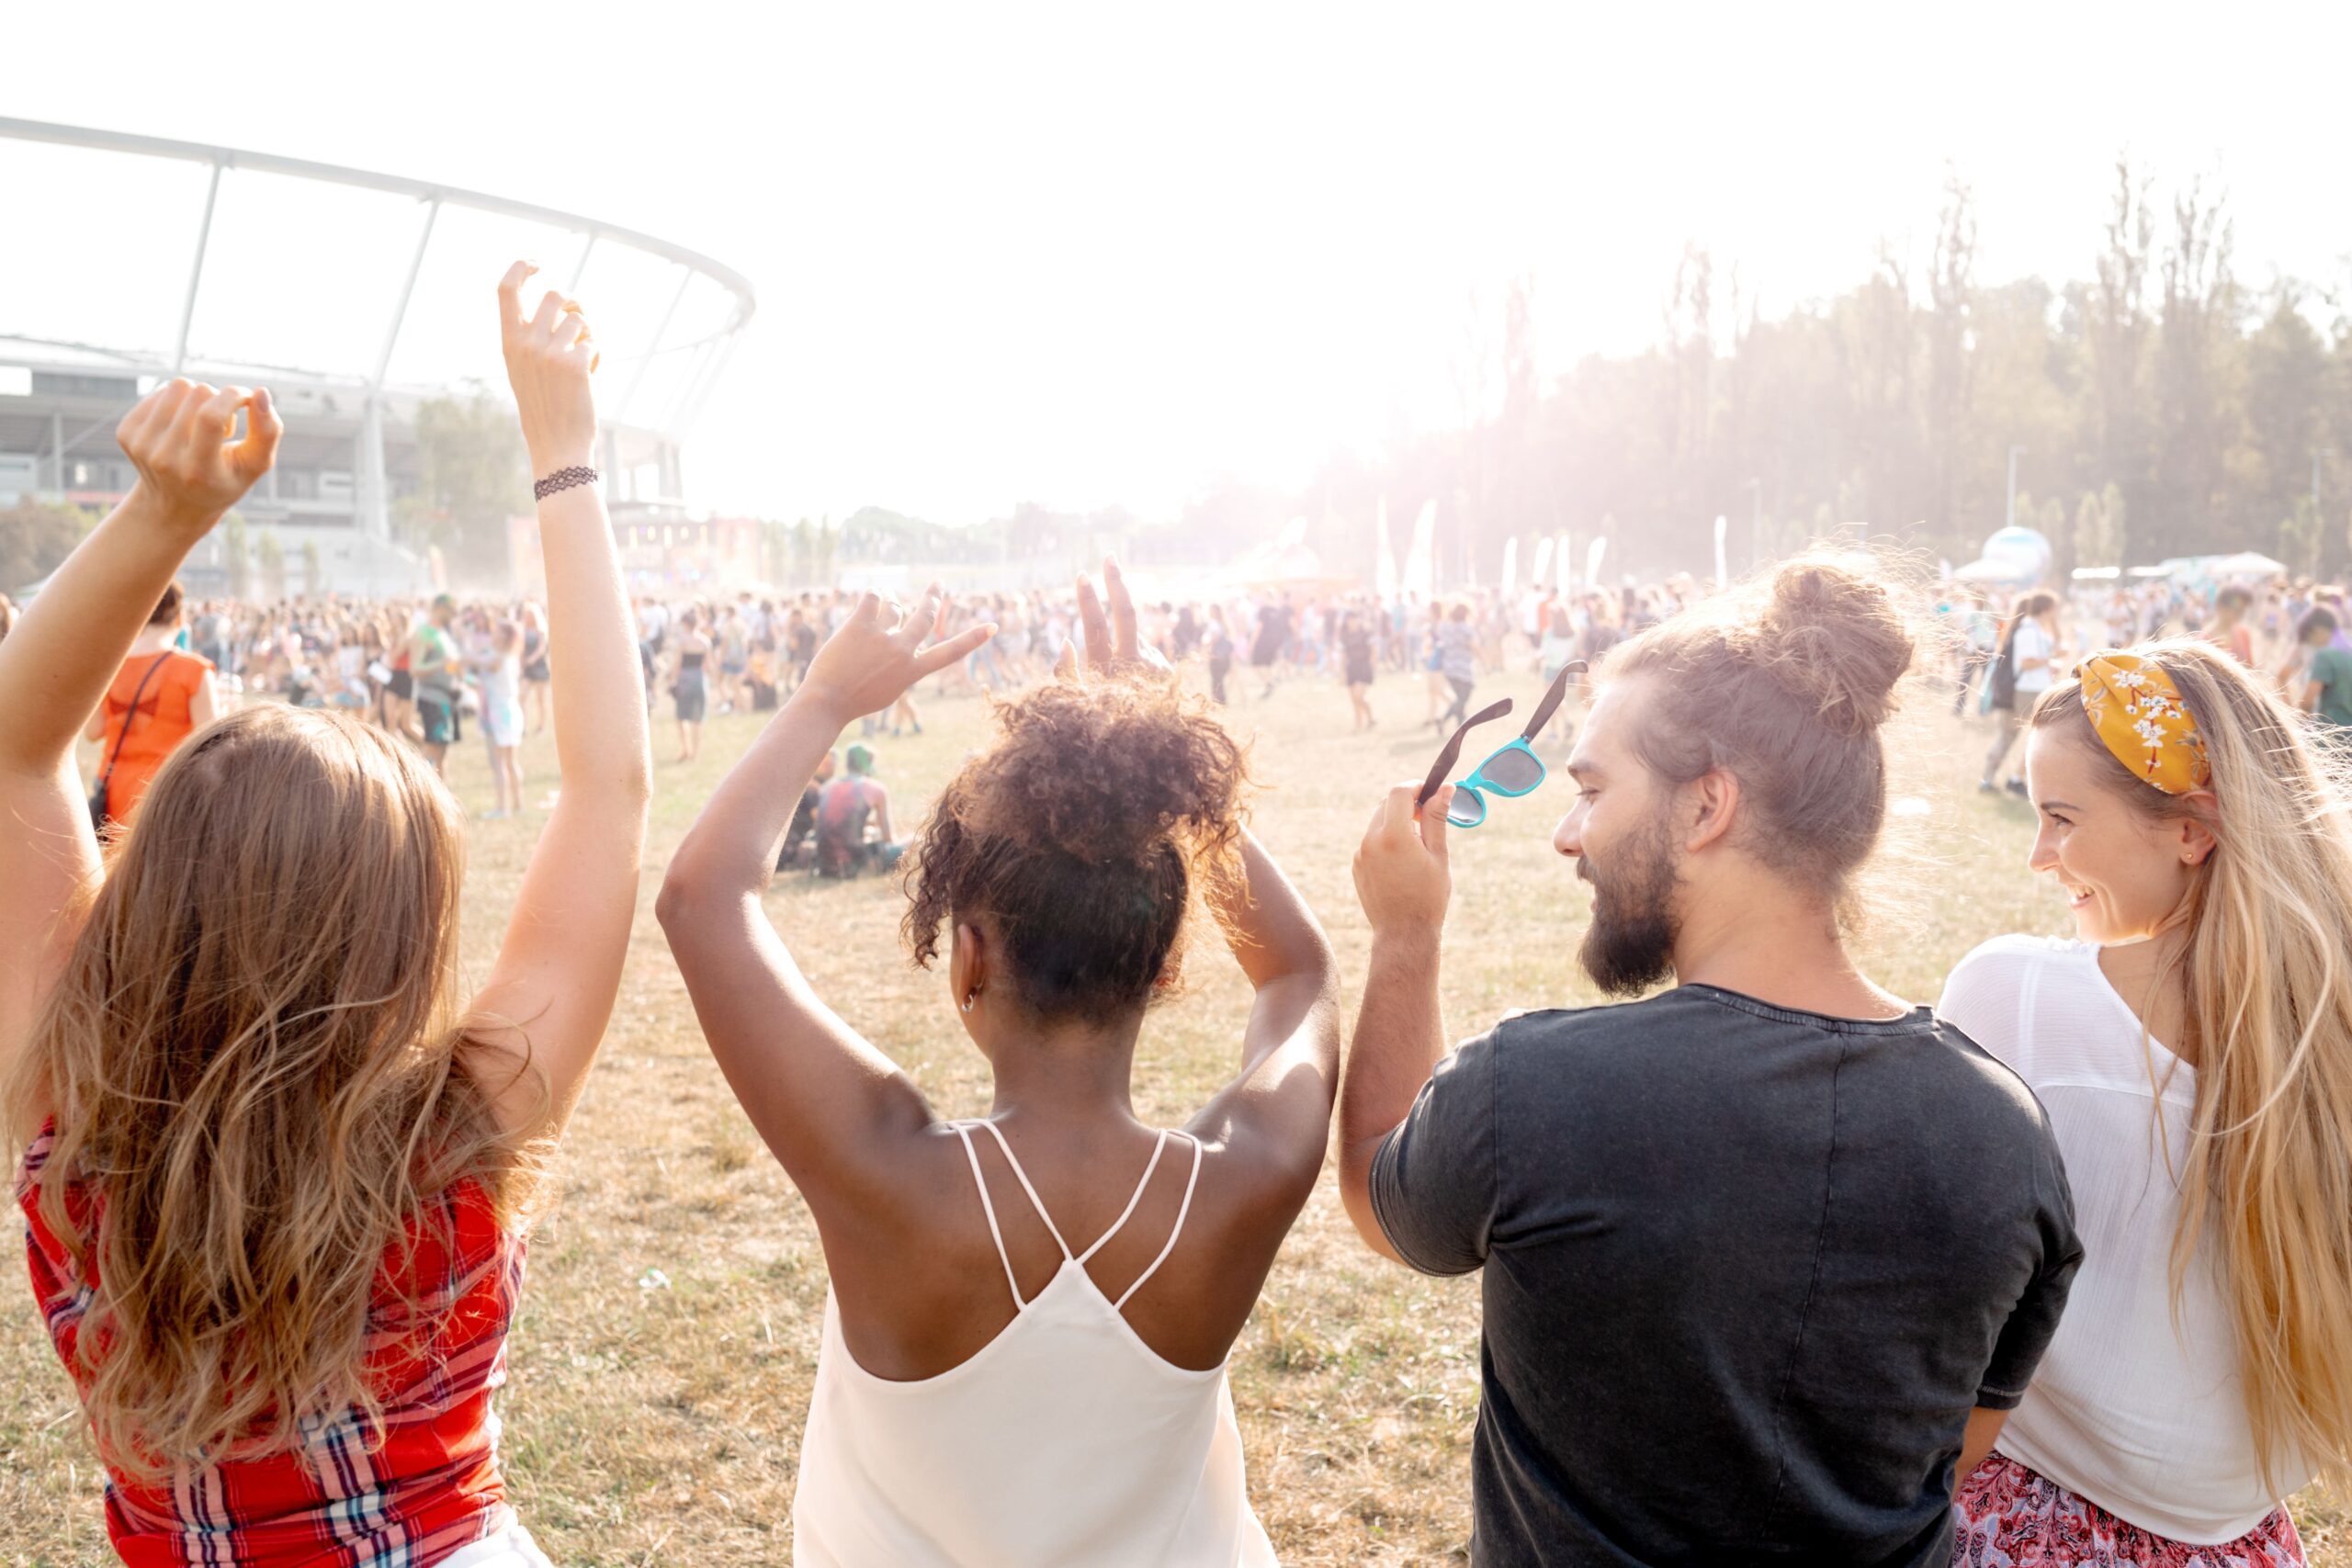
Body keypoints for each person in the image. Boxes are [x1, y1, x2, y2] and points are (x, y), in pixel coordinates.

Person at [1, 265, 650, 1568]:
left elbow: (16, 757)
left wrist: (163, 517)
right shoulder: (461, 1134)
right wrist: (563, 454)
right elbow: (610, 787)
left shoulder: (68, 1133)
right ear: (401, 937)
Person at [1339, 557, 2082, 1566]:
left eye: (1591, 789)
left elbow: (1382, 1195)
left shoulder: (1533, 1090)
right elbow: (1950, 1457)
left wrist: (1403, 936)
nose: (1566, 835)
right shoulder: (2008, 1140)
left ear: (1705, 807)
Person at [656, 558, 1337, 1568]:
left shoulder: (884, 1170)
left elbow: (703, 898)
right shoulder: (1252, 1173)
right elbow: (1299, 973)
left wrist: (824, 699)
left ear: (967, 958)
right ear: (1164, 965)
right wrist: (1178, 785)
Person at [1936, 642, 2349, 1565]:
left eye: (2062, 819)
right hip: (2244, 1544)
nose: (2040, 857)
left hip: (2025, 1527)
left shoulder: (2017, 996)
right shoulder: (2330, 1031)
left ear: (2191, 830)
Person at [82, 580, 220, 832]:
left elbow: (93, 732)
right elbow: (211, 743)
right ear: (178, 618)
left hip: (115, 789)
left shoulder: (109, 666)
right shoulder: (194, 671)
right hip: (166, 790)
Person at [1983, 589, 2062, 794]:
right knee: (2024, 737)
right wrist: (2050, 659)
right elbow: (2026, 663)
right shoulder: (2028, 631)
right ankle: (2009, 778)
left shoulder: (2029, 629)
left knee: (2012, 736)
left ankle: (1997, 778)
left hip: (2029, 688)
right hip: (2028, 690)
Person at [811, 743, 901, 878]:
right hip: (855, 865)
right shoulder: (876, 789)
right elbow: (889, 838)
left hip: (824, 864)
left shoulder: (828, 786)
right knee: (914, 841)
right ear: (868, 764)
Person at [410, 593, 465, 773]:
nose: (454, 616)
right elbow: (415, 669)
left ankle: (442, 795)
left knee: (443, 752)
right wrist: (440, 664)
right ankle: (419, 788)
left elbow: (450, 665)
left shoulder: (444, 633)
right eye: (451, 611)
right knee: (431, 749)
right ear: (440, 608)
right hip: (432, 698)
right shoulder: (424, 633)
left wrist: (461, 673)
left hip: (448, 698)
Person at [481, 619, 526, 819]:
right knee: (510, 761)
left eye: (497, 631)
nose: (493, 634)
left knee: (499, 763)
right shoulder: (512, 656)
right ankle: (518, 803)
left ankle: (502, 807)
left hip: (499, 713)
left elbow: (475, 661)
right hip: (511, 710)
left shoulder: (497, 658)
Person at [2283, 607, 2352, 729]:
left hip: (2331, 733)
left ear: (2318, 630)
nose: (2311, 643)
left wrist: (2298, 718)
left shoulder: (2324, 656)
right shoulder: (2347, 651)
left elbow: (2308, 700)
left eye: (2310, 636)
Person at [776, 748, 839, 871]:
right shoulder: (812, 788)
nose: (829, 768)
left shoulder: (809, 784)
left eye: (831, 764)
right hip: (794, 846)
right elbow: (821, 819)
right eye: (825, 763)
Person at [669, 607, 711, 763]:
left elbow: (677, 663)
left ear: (685, 624)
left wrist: (672, 680)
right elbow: (707, 665)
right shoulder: (705, 641)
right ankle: (695, 752)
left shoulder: (682, 640)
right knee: (697, 718)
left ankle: (686, 749)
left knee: (681, 717)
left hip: (685, 679)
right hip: (699, 679)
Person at [1432, 601, 1476, 728]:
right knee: (1463, 697)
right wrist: (1484, 661)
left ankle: (1460, 722)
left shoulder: (1447, 628)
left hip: (1449, 668)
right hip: (1462, 668)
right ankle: (1444, 720)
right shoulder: (1466, 629)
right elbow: (1474, 646)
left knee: (1460, 697)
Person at [1340, 608, 1377, 731]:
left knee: (1359, 696)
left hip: (1363, 666)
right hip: (1351, 667)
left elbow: (1373, 651)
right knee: (1353, 699)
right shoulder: (1345, 635)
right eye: (1349, 619)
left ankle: (1370, 716)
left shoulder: (1366, 633)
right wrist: (1343, 671)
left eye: (1354, 619)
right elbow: (1344, 654)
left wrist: (1372, 667)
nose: (1351, 622)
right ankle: (1359, 723)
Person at [519, 601, 552, 733]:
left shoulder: (541, 630)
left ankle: (541, 726)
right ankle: (523, 726)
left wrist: (531, 659)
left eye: (530, 615)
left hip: (539, 667)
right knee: (522, 696)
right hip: (527, 669)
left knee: (540, 700)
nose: (528, 617)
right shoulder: (523, 630)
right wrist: (522, 661)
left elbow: (542, 648)